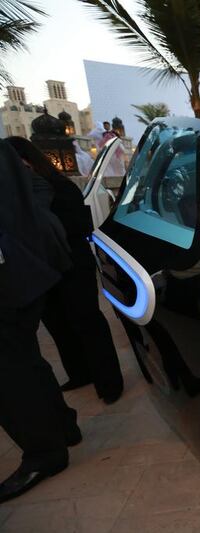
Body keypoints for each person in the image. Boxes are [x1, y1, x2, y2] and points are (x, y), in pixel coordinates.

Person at [7, 137, 124, 404]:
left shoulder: (59, 187)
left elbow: (82, 224)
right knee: (59, 325)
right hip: (44, 270)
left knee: (87, 320)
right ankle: (80, 373)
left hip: (72, 265)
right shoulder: (20, 194)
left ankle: (109, 382)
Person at [0, 139, 81, 503]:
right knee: (27, 362)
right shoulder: (4, 152)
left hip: (12, 279)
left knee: (11, 376)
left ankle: (44, 452)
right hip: (26, 273)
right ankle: (62, 428)